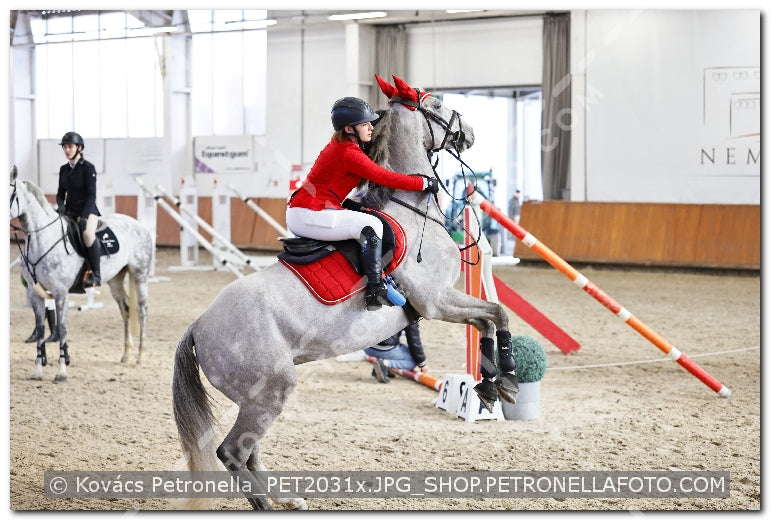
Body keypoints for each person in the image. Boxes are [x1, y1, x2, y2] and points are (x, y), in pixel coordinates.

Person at [286, 97, 439, 311]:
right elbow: (385, 177)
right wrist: (422, 182)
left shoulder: (344, 145)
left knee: (366, 217)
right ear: (349, 128)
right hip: (310, 213)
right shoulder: (349, 153)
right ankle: (375, 289)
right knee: (371, 226)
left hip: (311, 209)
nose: (370, 127)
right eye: (365, 124)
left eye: (370, 123)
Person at [55, 132, 102, 287]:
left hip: (88, 211)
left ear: (79, 148)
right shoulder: (63, 169)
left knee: (88, 235)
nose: (67, 150)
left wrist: (83, 216)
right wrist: (61, 207)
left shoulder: (88, 168)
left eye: (70, 147)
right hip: (69, 212)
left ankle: (95, 275)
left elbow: (91, 196)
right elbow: (60, 194)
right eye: (65, 147)